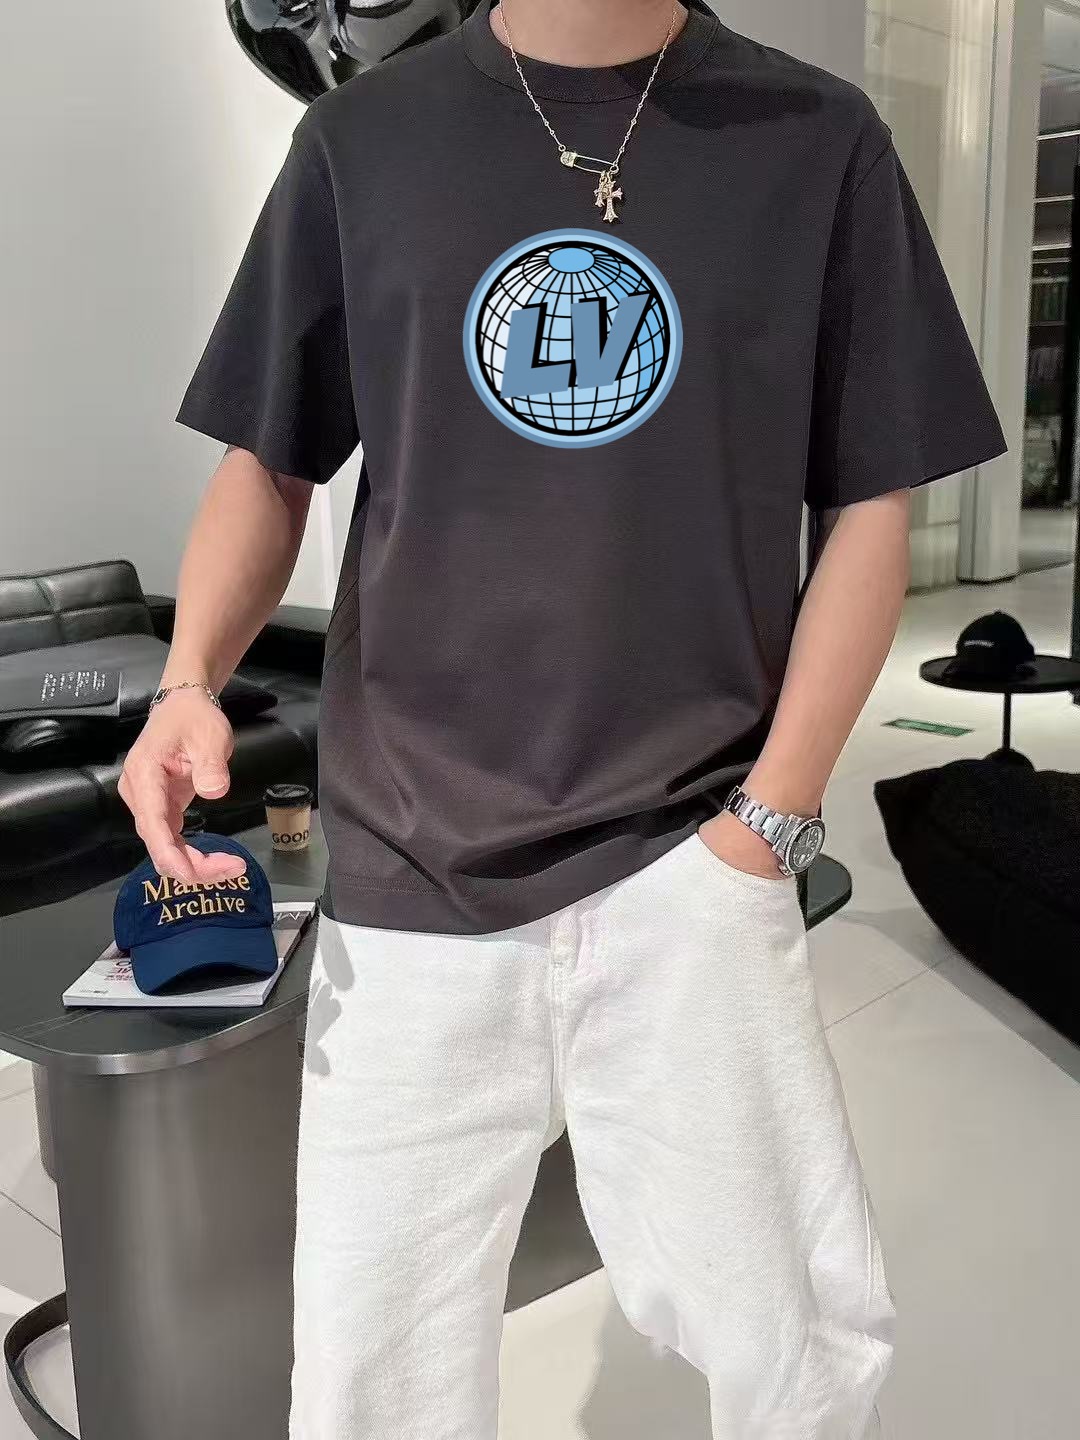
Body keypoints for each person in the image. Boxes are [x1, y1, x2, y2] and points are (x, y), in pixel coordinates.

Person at [120, 0, 1006, 1434]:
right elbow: (268, 460)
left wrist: (767, 828)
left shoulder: (816, 140)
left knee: (793, 1343)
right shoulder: (361, 140)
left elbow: (871, 501)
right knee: (370, 1376)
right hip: (411, 863)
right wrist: (187, 682)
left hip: (690, 854)